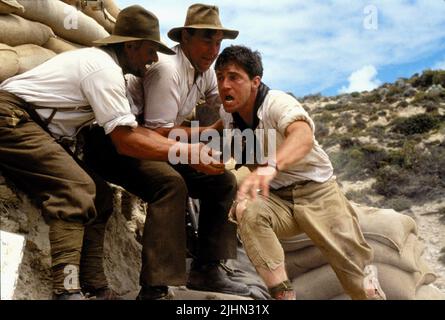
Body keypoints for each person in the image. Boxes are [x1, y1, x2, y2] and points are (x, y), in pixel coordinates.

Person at [0, 5, 217, 300]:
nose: (153, 59)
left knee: (100, 197)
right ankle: (66, 290)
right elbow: (125, 141)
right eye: (150, 51)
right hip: (11, 119)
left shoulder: (112, 72)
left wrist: (187, 151)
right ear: (130, 46)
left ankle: (95, 286)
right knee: (77, 191)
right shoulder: (103, 70)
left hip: (30, 125)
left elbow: (132, 129)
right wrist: (188, 153)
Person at [84, 3, 249, 299]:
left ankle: (207, 269)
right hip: (116, 141)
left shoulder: (205, 70)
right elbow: (154, 131)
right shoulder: (168, 70)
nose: (213, 50)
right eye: (206, 40)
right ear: (185, 36)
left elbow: (222, 104)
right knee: (170, 184)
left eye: (218, 43)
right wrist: (204, 136)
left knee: (223, 181)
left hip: (151, 141)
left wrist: (239, 119)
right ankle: (155, 288)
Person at [214, 45, 387, 300]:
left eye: (233, 77)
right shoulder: (228, 115)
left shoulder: (277, 103)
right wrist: (172, 140)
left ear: (255, 81)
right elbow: (211, 132)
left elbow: (303, 136)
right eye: (220, 78)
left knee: (361, 281)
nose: (225, 85)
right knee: (247, 209)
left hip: (318, 193)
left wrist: (271, 166)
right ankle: (284, 296)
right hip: (276, 199)